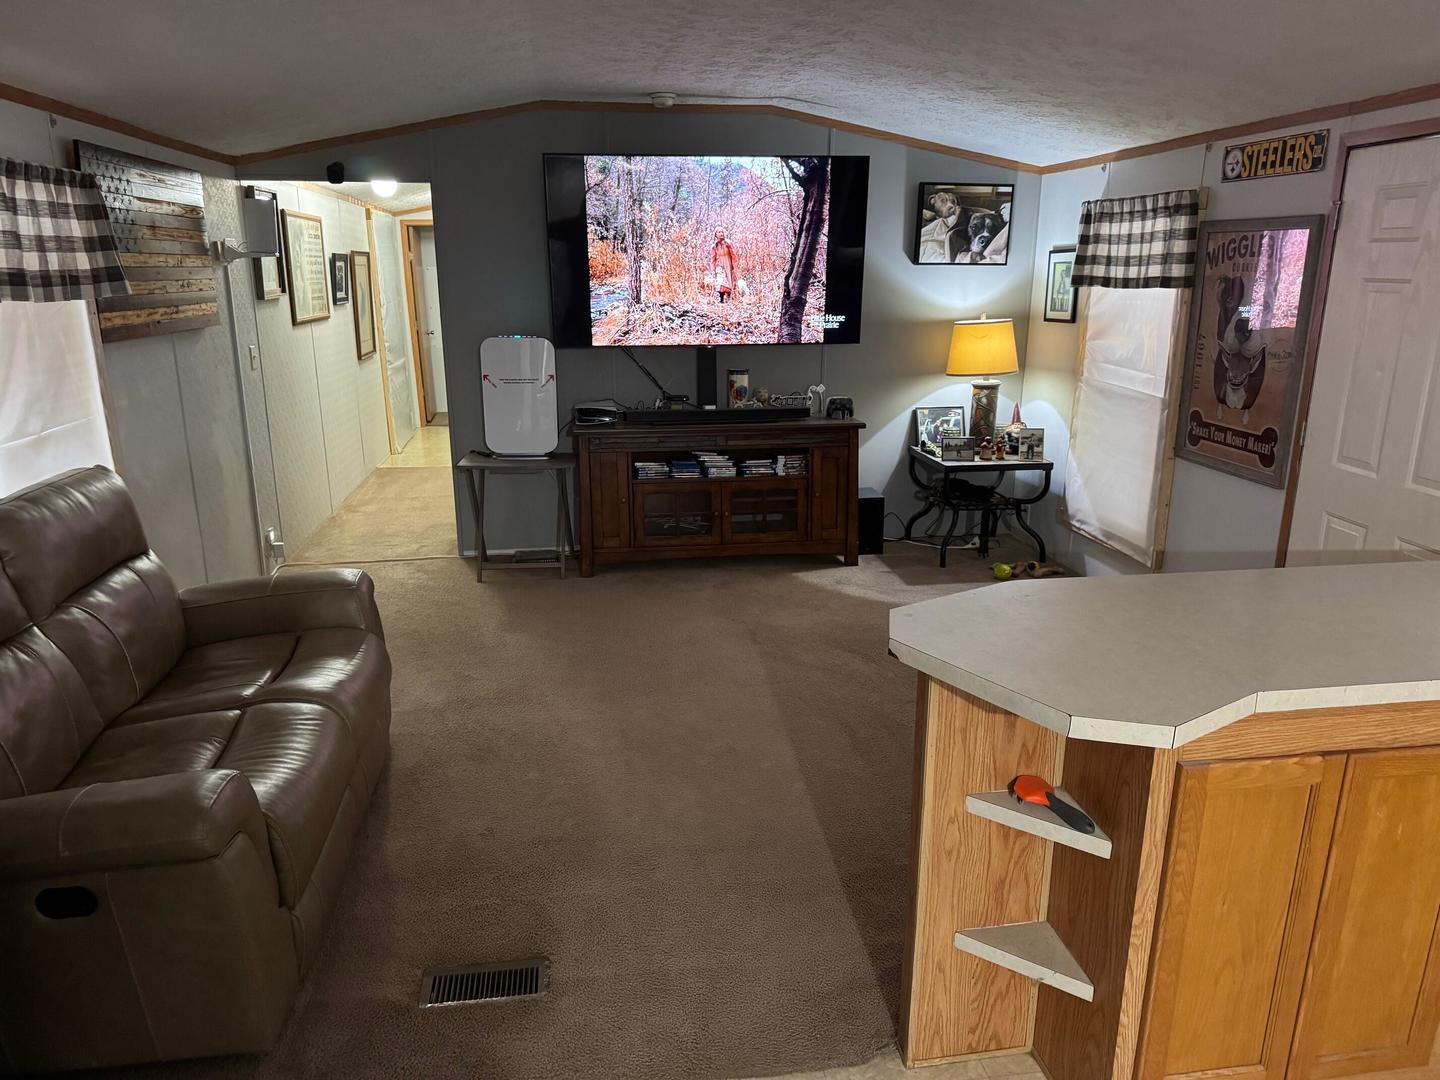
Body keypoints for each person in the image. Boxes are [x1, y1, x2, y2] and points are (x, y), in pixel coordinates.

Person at [711, 228, 738, 303]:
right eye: (719, 232)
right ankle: (721, 298)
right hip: (720, 264)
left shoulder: (728, 243)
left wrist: (734, 266)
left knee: (729, 281)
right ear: (715, 234)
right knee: (721, 280)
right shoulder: (714, 246)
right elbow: (713, 258)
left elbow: (734, 255)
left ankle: (729, 296)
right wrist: (713, 269)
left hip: (728, 263)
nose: (721, 234)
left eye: (722, 232)